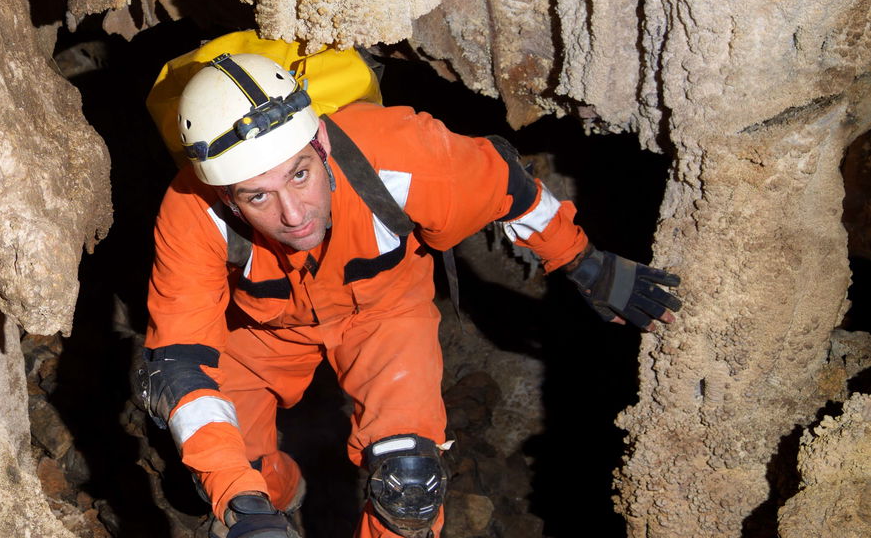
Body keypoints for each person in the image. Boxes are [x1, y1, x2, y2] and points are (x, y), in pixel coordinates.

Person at [138, 50, 683, 538]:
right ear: (227, 199)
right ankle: (276, 489)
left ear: (320, 144)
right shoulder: (192, 211)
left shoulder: (403, 154)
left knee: (410, 486)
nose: (293, 213)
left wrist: (582, 261)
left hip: (384, 313)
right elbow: (181, 367)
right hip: (261, 335)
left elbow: (509, 189)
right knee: (232, 476)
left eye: (300, 174)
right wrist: (239, 501)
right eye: (258, 196)